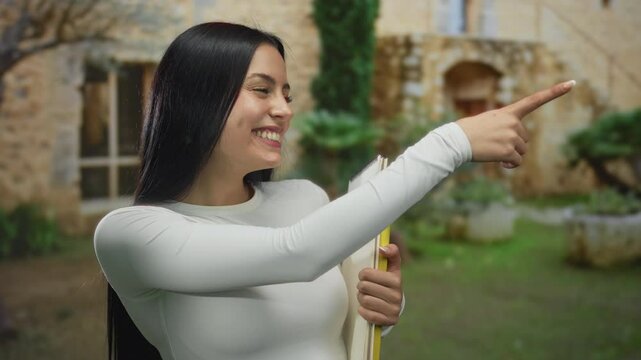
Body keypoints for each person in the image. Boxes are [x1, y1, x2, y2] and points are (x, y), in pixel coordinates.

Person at [93, 22, 573, 360]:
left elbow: (336, 313)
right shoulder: (132, 235)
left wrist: (381, 308)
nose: (283, 109)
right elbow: (297, 254)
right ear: (195, 101)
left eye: (286, 93)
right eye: (262, 90)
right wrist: (451, 142)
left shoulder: (304, 200)